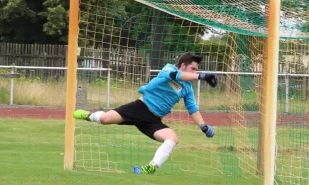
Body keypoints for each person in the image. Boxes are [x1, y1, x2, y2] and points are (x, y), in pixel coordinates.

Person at [73, 52, 219, 174]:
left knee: (172, 138)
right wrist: (202, 77)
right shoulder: (169, 69)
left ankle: (151, 167)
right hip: (140, 108)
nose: (196, 72)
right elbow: (176, 76)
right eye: (193, 69)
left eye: (197, 70)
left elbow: (193, 109)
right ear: (183, 66)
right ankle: (88, 115)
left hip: (153, 120)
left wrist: (204, 127)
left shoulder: (188, 89)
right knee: (105, 119)